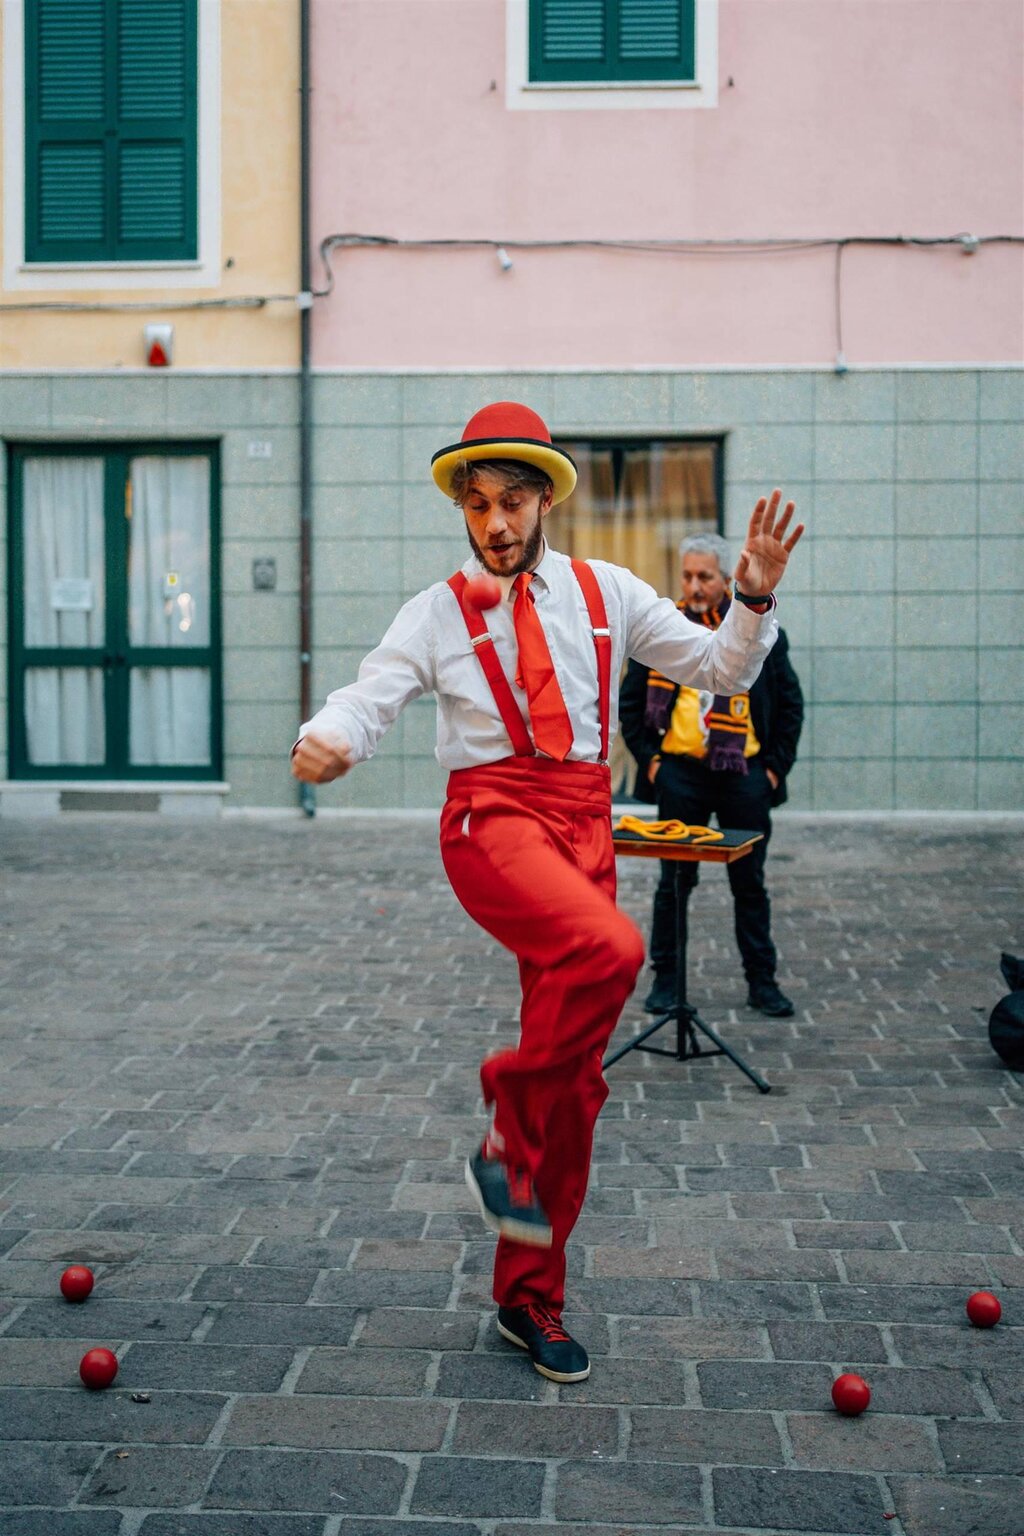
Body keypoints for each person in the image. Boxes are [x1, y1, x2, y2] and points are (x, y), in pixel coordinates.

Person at [291, 402, 803, 1384]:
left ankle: (530, 1301)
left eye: (511, 501)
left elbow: (715, 668)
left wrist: (752, 600)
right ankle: (503, 1107)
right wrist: (334, 737)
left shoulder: (607, 592)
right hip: (491, 821)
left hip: (582, 824)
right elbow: (372, 691)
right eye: (477, 504)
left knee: (578, 1092)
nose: (494, 523)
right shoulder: (435, 610)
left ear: (543, 502)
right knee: (612, 951)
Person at [619, 532, 804, 1019]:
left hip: (745, 775)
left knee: (750, 883)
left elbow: (789, 707)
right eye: (687, 575)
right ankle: (665, 984)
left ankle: (762, 983)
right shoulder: (662, 632)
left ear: (727, 580)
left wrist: (771, 770)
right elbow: (631, 707)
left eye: (704, 576)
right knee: (674, 884)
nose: (694, 585)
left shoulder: (760, 635)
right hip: (679, 774)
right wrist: (654, 764)